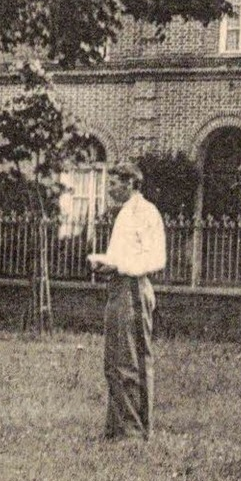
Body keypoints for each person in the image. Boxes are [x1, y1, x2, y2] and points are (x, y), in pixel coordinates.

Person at [87, 161, 166, 440]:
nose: (109, 188)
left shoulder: (145, 212)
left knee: (131, 360)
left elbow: (155, 258)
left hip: (133, 287)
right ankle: (117, 428)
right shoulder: (124, 214)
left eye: (114, 183)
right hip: (118, 287)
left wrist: (118, 266)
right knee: (115, 359)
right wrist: (108, 263)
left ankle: (135, 431)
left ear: (131, 183)